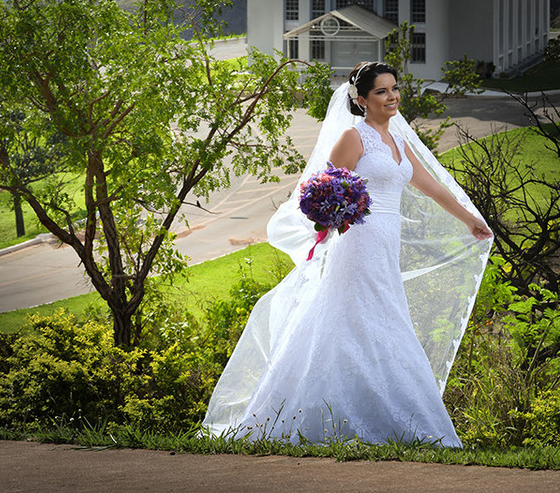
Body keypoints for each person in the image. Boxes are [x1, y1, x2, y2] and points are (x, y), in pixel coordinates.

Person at [202, 61, 492, 446]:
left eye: (394, 89)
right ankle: (339, 418)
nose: (392, 97)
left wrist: (470, 219)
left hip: (386, 245)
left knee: (380, 320)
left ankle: (386, 418)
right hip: (358, 241)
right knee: (359, 320)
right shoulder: (353, 138)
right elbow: (320, 192)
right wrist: (339, 217)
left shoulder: (399, 142)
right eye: (381, 91)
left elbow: (432, 187)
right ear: (362, 99)